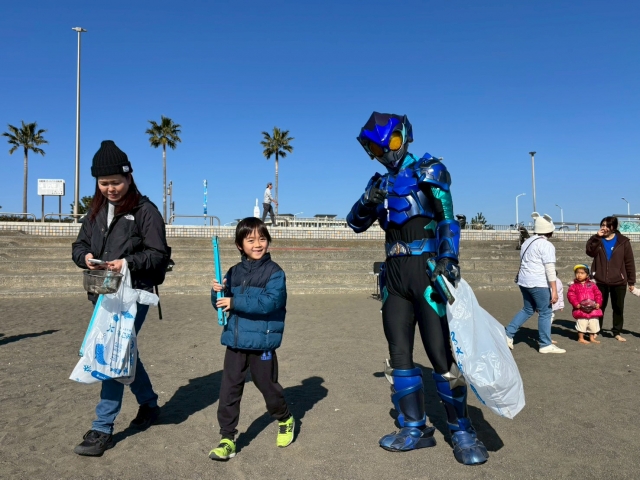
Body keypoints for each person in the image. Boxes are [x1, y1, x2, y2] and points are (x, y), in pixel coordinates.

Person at [346, 112, 488, 465]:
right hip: (394, 276)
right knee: (399, 354)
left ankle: (461, 429)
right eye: (375, 148)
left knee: (440, 354)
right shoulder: (378, 182)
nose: (385, 152)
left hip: (426, 270)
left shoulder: (430, 170)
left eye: (390, 143)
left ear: (404, 136)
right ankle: (414, 427)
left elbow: (447, 219)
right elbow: (355, 223)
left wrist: (448, 257)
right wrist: (368, 199)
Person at [71, 140, 171, 456]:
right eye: (104, 183)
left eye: (116, 181)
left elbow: (158, 254)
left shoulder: (146, 211)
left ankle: (102, 428)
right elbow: (78, 245)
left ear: (129, 177)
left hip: (134, 295)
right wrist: (85, 257)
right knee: (124, 351)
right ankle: (149, 404)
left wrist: (126, 262)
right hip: (102, 293)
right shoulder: (95, 211)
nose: (110, 188)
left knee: (113, 355)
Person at [209, 217, 293, 461]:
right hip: (235, 342)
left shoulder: (275, 273)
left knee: (267, 386)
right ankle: (227, 438)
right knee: (229, 390)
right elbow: (220, 304)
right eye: (251, 240)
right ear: (240, 245)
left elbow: (270, 302)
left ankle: (285, 418)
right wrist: (216, 293)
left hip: (262, 343)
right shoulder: (233, 272)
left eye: (262, 239)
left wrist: (234, 301)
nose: (258, 244)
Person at [505, 212, 565, 354]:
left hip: (524, 281)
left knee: (528, 309)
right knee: (545, 312)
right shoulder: (546, 245)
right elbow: (550, 269)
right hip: (538, 282)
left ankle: (508, 333)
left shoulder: (527, 242)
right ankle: (545, 344)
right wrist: (554, 290)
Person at [586, 216, 635, 342]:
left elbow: (629, 261)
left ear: (614, 227)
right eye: (602, 225)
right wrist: (596, 237)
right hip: (599, 280)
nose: (604, 228)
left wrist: (631, 281)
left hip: (619, 281)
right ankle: (596, 330)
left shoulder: (623, 241)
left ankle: (616, 332)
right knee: (598, 306)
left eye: (608, 225)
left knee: (618, 308)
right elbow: (590, 252)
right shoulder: (598, 239)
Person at [566, 264, 603, 344]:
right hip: (581, 308)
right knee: (582, 323)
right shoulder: (573, 286)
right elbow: (571, 296)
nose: (579, 275)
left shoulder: (592, 285)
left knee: (593, 323)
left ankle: (592, 338)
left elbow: (598, 294)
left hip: (593, 308)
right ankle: (581, 338)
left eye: (582, 273)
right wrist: (576, 304)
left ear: (587, 275)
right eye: (577, 273)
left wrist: (598, 303)